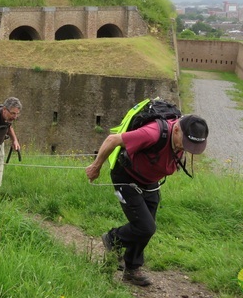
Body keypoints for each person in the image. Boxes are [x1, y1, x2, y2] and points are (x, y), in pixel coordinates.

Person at [85, 114, 209, 287]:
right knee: (145, 227)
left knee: (146, 228)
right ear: (177, 129)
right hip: (127, 177)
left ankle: (131, 269)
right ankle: (112, 238)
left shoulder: (181, 136)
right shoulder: (152, 133)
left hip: (150, 181)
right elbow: (112, 140)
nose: (186, 148)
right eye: (186, 143)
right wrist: (96, 167)